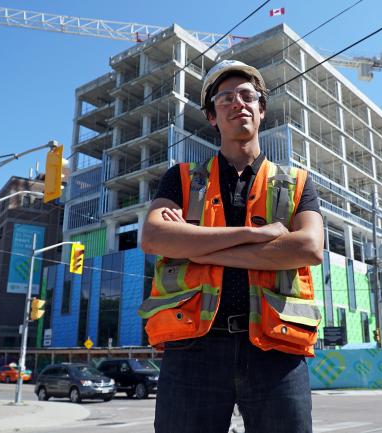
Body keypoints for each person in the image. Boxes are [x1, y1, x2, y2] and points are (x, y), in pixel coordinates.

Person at [138, 60, 324, 433]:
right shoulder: (181, 178)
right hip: (194, 349)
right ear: (211, 116)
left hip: (275, 349)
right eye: (225, 98)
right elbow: (155, 238)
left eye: (247, 96)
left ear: (261, 109)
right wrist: (256, 235)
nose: (238, 103)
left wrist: (193, 245)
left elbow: (308, 248)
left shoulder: (297, 182)